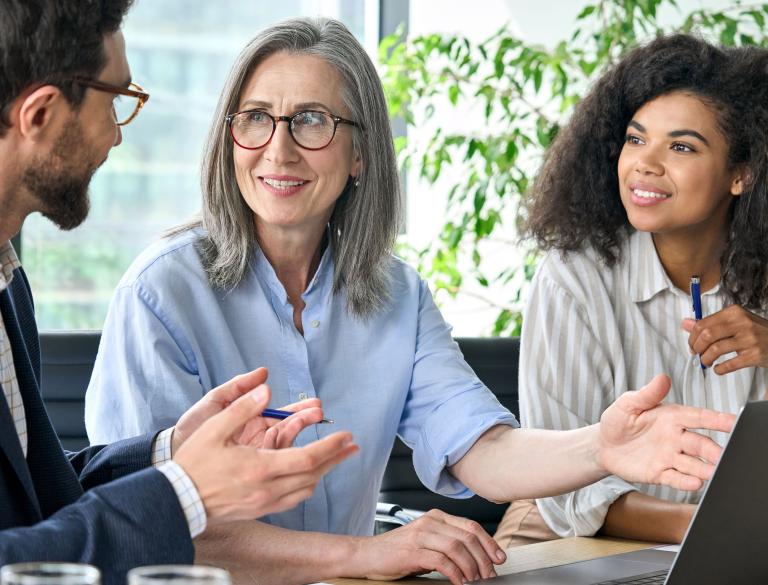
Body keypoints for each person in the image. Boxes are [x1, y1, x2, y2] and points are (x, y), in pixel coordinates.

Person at [85, 18, 736, 585]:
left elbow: (481, 450)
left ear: (361, 152)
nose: (278, 148)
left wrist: (603, 446)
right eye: (256, 118)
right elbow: (151, 525)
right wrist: (366, 550)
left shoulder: (397, 294)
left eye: (312, 120)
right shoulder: (160, 293)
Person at [0, 2, 359, 583]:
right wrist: (185, 491)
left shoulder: (8, 285)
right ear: (40, 113)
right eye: (114, 101)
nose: (117, 135)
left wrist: (170, 451)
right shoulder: (159, 283)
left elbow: (38, 502)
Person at [493, 34, 768, 548]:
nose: (645, 162)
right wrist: (709, 534)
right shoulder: (574, 278)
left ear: (741, 173)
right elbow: (565, 496)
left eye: (682, 146)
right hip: (571, 535)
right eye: (636, 139)